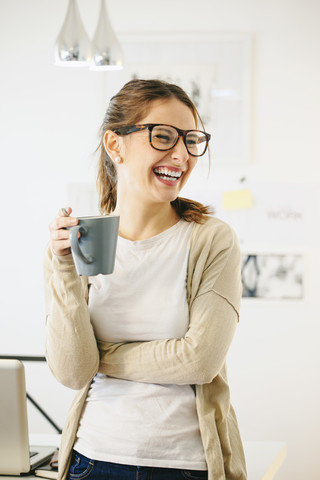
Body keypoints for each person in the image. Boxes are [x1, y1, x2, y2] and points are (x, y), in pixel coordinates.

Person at [44, 79, 247, 480]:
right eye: (163, 136)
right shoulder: (76, 240)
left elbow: (200, 361)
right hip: (92, 460)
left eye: (191, 140)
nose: (182, 155)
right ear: (115, 144)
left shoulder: (210, 239)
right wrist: (63, 266)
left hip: (185, 465)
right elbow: (71, 372)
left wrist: (102, 357)